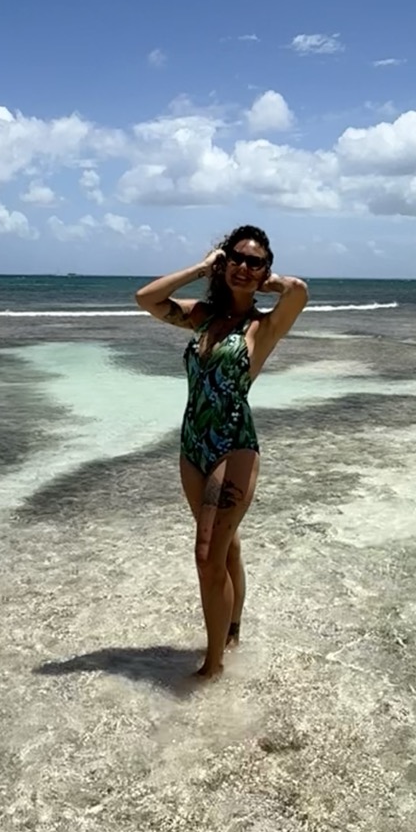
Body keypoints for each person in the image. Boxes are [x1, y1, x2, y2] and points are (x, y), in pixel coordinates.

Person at [135, 225, 309, 678]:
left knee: (206, 552)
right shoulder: (202, 317)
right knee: (224, 545)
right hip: (192, 442)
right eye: (237, 258)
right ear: (221, 260)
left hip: (232, 444)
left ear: (266, 269)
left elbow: (299, 291)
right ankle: (231, 629)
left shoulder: (263, 326)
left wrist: (261, 280)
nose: (244, 266)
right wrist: (201, 268)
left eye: (256, 261)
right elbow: (146, 299)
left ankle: (212, 667)